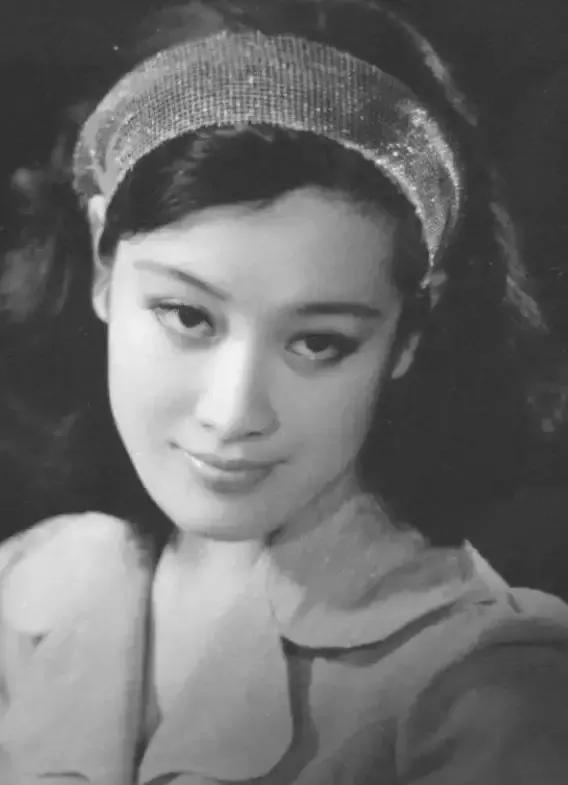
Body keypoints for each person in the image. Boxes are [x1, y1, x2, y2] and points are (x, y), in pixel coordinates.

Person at [0, 1, 567, 782]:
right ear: (104, 263)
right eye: (188, 316)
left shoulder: (483, 684)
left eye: (318, 342)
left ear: (409, 332)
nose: (233, 413)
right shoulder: (28, 580)